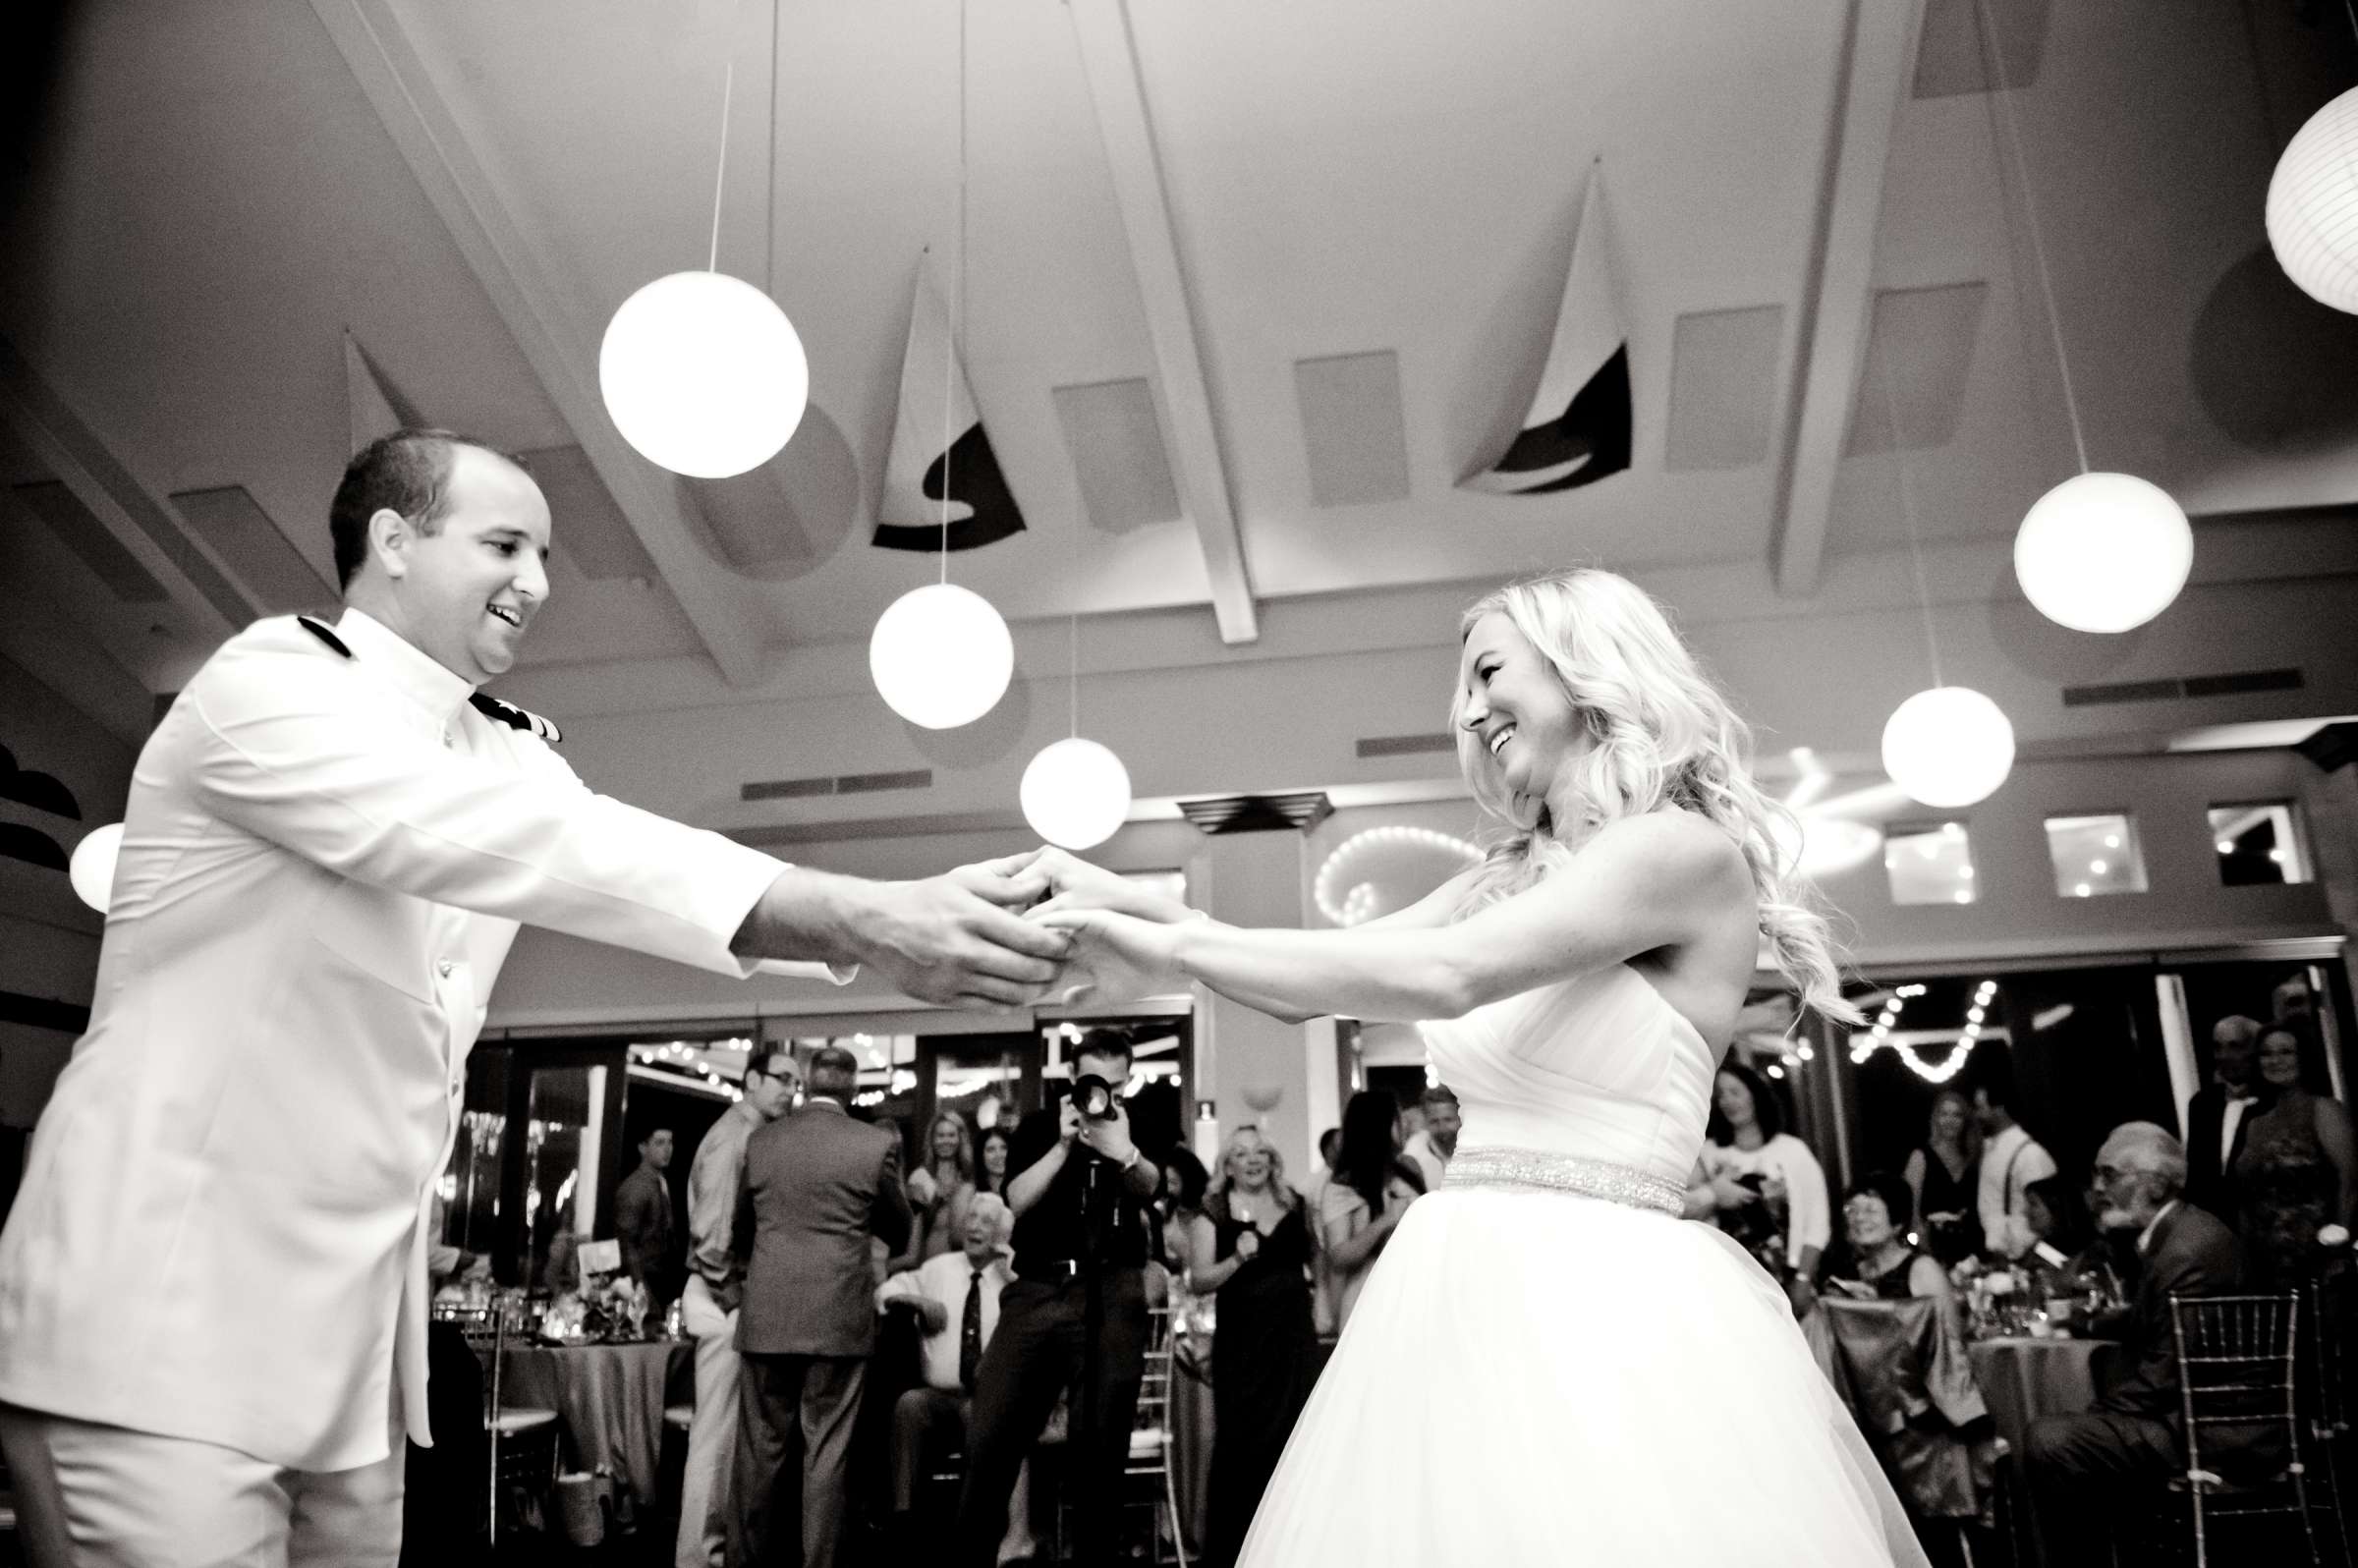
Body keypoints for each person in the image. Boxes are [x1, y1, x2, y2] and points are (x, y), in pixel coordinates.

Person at [0, 429, 1075, 1568]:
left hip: (356, 1375)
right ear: (394, 542)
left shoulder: (503, 751)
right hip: (158, 1334)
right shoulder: (266, 685)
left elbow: (632, 873)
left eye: (547, 553)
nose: (540, 582)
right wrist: (867, 916)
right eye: (504, 542)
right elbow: (514, 839)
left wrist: (911, 926)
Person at [1030, 567, 1930, 1566]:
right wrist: (1114, 902)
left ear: (1583, 665)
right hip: (1457, 1295)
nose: (1467, 711)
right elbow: (1305, 979)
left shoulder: (1679, 853)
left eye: (1487, 671)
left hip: (1610, 1297)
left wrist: (1163, 946)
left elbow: (1447, 976)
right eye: (1460, 693)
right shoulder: (1494, 882)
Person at [954, 1032, 1159, 1568]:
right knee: (990, 1435)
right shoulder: (1040, 1126)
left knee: (1100, 1448)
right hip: (1038, 1290)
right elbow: (1015, 1202)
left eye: (1116, 1085)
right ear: (1073, 1077)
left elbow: (1151, 1187)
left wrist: (1124, 1151)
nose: (1105, 1096)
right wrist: (1065, 1145)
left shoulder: (1135, 1121)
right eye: (1095, 1083)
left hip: (1112, 1288)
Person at [2024, 1124, 2244, 1567]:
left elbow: (2165, 1374)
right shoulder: (2181, 1233)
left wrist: (2094, 1415)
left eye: (2110, 1175)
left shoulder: (2185, 1250)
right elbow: (2155, 1321)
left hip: (2210, 1431)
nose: (2097, 1188)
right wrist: (2090, 1321)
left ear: (2157, 1184)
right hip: (2192, 1415)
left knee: (2049, 1439)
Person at [729, 1045, 913, 1568]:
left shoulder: (762, 1140)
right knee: (826, 1453)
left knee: (758, 1454)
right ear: (852, 1088)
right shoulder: (874, 1144)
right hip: (836, 1318)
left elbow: (741, 1227)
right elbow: (899, 1233)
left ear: (808, 1084)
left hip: (767, 1316)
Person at [674, 1047, 797, 1568]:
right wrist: (735, 1300)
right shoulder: (734, 1137)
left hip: (726, 1294)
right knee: (716, 1437)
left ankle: (712, 1553)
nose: (791, 1090)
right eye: (781, 1079)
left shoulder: (749, 1133)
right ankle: (699, 1557)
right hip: (721, 1295)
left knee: (725, 1435)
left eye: (796, 1082)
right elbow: (711, 1234)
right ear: (751, 1080)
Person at [874, 1195, 1033, 1561]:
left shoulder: (1012, 1276)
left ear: (1000, 1233)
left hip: (987, 1400)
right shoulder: (939, 1269)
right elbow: (884, 1291)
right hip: (939, 1397)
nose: (975, 1227)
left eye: (986, 1222)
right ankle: (904, 1522)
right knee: (908, 1405)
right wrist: (917, 1303)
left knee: (990, 1417)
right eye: (971, 1218)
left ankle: (979, 1531)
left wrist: (1010, 1270)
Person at [1191, 1128, 1319, 1568]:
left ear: (1272, 1159)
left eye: (1260, 1151)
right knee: (1241, 1446)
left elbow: (1315, 1266)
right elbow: (1198, 1279)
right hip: (1242, 1346)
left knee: (1294, 1442)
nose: (1252, 1159)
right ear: (1227, 1165)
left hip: (1292, 1341)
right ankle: (1237, 1553)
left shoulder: (1294, 1204)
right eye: (1241, 1153)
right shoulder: (1212, 1213)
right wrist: (1237, 1259)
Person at [1694, 1061, 1831, 1316]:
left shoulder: (1792, 1150)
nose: (1728, 1101)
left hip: (1785, 1274)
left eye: (1735, 1092)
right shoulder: (1708, 1153)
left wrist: (1803, 1278)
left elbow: (1817, 1222)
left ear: (1755, 1093)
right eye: (1720, 1095)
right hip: (1728, 1276)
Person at [2232, 1018, 2358, 1285]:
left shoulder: (2324, 1110)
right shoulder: (2256, 1123)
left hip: (2320, 1261)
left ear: (2304, 1058)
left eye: (2286, 1052)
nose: (2275, 1060)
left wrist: (2337, 1250)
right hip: (2265, 1264)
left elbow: (2350, 1183)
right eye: (2267, 1053)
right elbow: (2246, 1199)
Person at [1319, 1092, 1419, 1336]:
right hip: (1369, 1293)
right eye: (1397, 1118)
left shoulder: (1408, 1169)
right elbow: (1339, 1256)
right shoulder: (1342, 1187)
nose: (1404, 1124)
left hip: (1415, 1285)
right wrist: (1385, 1221)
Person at [2183, 1014, 2262, 1221]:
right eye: (2218, 1047)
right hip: (2214, 1226)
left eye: (2235, 1046)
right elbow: (2196, 1176)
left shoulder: (2274, 1102)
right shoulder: (2201, 1104)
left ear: (2255, 1050)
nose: (2224, 1056)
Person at [1825, 1172, 1949, 1303]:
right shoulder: (1849, 1272)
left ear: (1897, 1223)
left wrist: (1875, 1306)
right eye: (1852, 1210)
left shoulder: (1922, 1269)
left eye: (1870, 1210)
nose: (1859, 1218)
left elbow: (1947, 1322)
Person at [1971, 1077, 2055, 1260]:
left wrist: (2033, 1256)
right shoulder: (1989, 1148)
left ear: (1999, 1109)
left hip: (2026, 1256)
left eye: (1980, 1108)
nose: (1976, 1115)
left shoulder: (2029, 1154)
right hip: (1997, 1254)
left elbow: (2049, 1217)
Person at [1900, 1088, 1981, 1267]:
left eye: (1957, 1115)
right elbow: (1909, 1211)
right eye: (1944, 1114)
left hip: (1971, 1248)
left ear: (1965, 1121)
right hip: (1933, 1248)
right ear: (1936, 1119)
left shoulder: (1973, 1158)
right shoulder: (1920, 1157)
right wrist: (1923, 1247)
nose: (1950, 1121)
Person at [896, 1111, 979, 1272]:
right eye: (940, 1135)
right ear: (932, 1140)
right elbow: (913, 1239)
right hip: (931, 1266)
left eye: (951, 1135)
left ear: (960, 1138)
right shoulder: (920, 1177)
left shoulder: (971, 1178)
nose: (946, 1141)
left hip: (967, 1268)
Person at [615, 1125, 680, 1307]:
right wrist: (640, 1286)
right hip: (645, 1276)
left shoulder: (659, 1180)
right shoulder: (636, 1187)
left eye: (670, 1142)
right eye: (659, 1143)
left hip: (661, 1275)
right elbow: (626, 1244)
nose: (667, 1149)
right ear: (643, 1148)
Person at [1153, 1146, 1212, 1278]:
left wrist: (1184, 1250)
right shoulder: (1165, 1209)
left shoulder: (1208, 1212)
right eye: (1166, 1182)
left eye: (1173, 1183)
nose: (1169, 1189)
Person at [1400, 1085, 1459, 1192]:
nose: (1442, 1128)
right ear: (1425, 1121)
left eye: (1448, 1120)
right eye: (1434, 1121)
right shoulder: (1414, 1156)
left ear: (1460, 1118)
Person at [975, 1126, 1013, 1200]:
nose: (999, 1155)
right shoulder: (974, 1196)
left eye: (1004, 1148)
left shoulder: (1025, 1188)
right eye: (991, 1150)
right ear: (980, 1156)